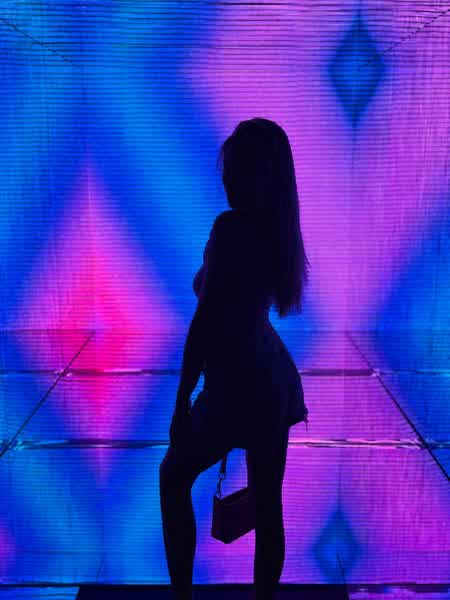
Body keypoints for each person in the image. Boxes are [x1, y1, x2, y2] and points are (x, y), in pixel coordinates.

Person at [159, 118, 310, 600]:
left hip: (234, 385)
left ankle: (182, 598)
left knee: (173, 476)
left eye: (233, 168)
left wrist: (181, 401)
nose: (225, 178)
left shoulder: (229, 229)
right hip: (270, 382)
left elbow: (204, 325)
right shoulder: (277, 233)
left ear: (253, 174)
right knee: (269, 507)